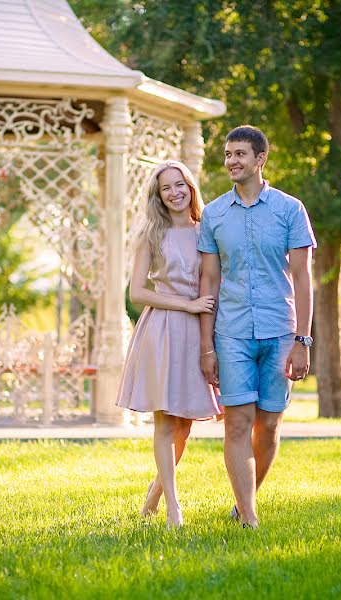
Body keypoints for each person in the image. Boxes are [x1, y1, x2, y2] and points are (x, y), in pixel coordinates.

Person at [198, 125, 316, 529]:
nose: (232, 161)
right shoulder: (213, 214)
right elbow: (209, 282)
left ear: (260, 158)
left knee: (268, 426)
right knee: (236, 422)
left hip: (280, 332)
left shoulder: (289, 209)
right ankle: (248, 517)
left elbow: (302, 278)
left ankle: (242, 504)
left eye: (240, 154)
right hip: (231, 333)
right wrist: (207, 346)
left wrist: (302, 339)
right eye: (228, 154)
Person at [116, 159, 221, 529]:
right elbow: (138, 292)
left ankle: (155, 492)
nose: (175, 192)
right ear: (158, 195)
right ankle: (172, 507)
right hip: (163, 328)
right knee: (164, 420)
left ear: (191, 187)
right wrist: (186, 304)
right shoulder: (152, 233)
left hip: (200, 330)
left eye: (181, 185)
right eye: (166, 188)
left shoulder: (207, 229)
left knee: (186, 423)